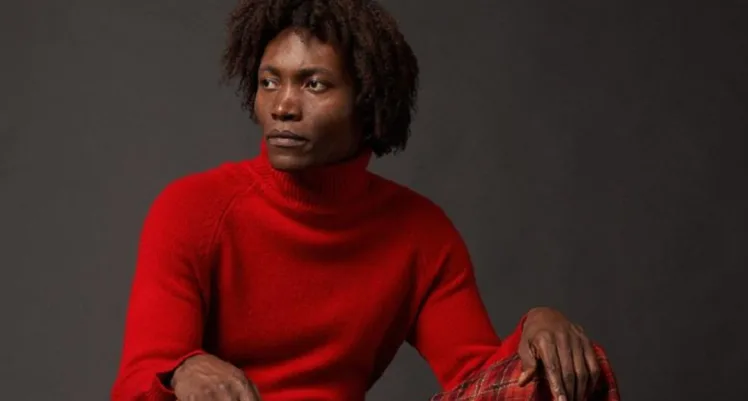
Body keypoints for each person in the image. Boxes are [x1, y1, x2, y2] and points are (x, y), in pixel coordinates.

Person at [111, 0, 616, 400]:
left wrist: (538, 326)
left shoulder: (419, 233)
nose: (283, 106)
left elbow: (479, 382)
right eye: (269, 82)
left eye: (313, 84)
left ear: (368, 101)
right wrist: (183, 369)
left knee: (565, 373)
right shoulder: (192, 209)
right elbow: (138, 379)